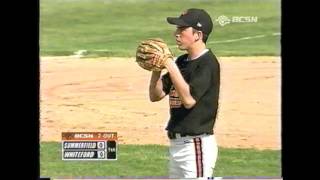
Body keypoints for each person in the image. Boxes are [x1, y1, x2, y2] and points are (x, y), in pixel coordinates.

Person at [148, 8, 221, 179]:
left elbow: (189, 100)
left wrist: (170, 65)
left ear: (198, 35)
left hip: (195, 145)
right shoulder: (182, 61)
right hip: (177, 144)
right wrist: (156, 70)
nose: (176, 34)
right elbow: (155, 95)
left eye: (182, 30)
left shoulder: (207, 63)